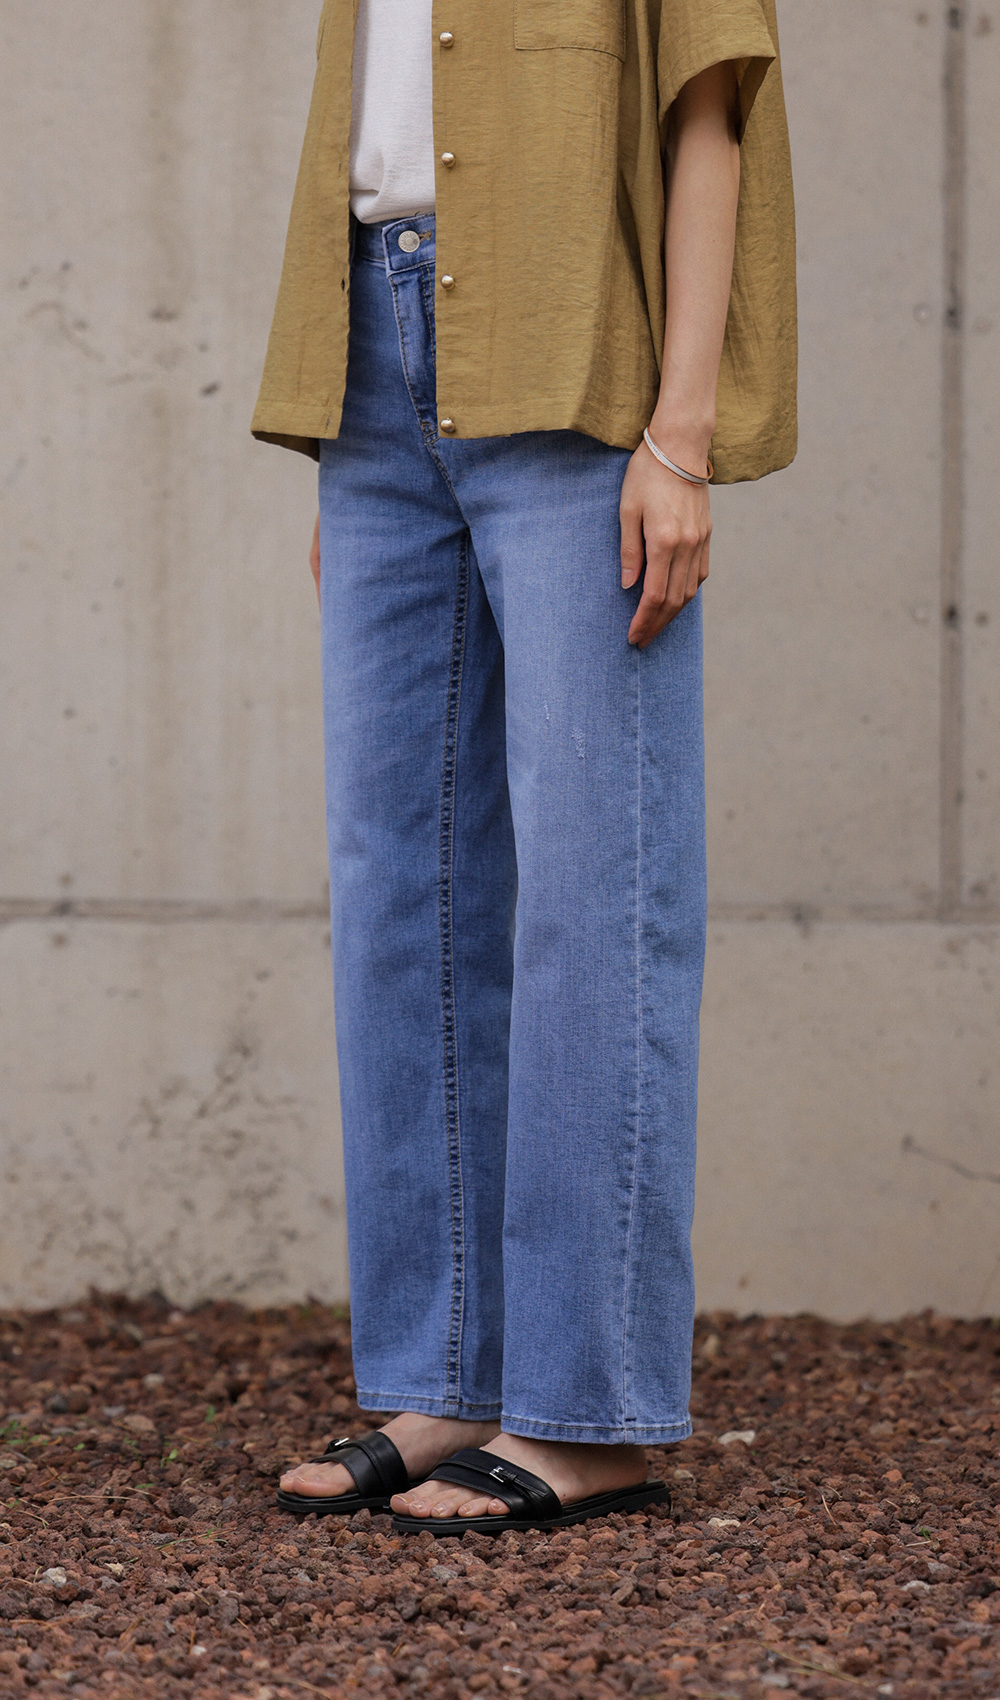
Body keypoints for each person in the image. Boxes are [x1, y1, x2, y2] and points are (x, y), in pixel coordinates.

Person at [252, 0, 796, 1534]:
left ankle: (587, 1414)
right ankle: (453, 1377)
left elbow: (710, 110)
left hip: (577, 360)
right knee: (400, 893)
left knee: (592, 889)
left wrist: (681, 432)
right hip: (374, 374)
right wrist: (361, 452)